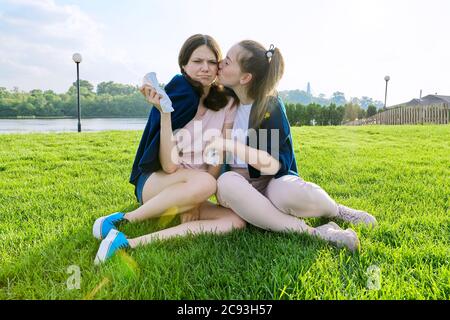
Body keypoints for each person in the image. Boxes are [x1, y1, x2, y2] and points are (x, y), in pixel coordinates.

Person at [204, 40, 377, 252]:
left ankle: (336, 210)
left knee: (286, 191)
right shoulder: (223, 100)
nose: (220, 63)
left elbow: (271, 166)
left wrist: (229, 144)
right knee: (225, 182)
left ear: (245, 78)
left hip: (271, 183)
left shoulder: (270, 107)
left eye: (227, 62)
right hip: (239, 188)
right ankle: (315, 233)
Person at [93, 34, 245, 264]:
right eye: (197, 61)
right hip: (160, 183)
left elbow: (217, 157)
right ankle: (121, 220)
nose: (205, 68)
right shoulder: (176, 96)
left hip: (197, 188)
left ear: (218, 66)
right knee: (205, 182)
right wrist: (165, 113)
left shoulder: (228, 103)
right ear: (184, 65)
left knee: (234, 221)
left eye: (212, 62)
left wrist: (196, 199)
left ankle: (126, 243)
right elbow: (169, 165)